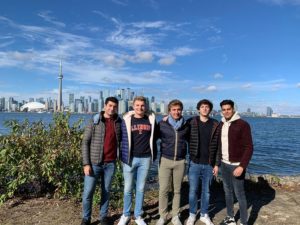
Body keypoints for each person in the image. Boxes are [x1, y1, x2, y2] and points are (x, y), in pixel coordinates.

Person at [81, 97, 122, 225]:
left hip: (110, 164)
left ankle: (103, 216)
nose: (112, 108)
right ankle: (86, 218)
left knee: (106, 191)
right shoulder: (95, 121)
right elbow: (85, 143)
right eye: (110, 105)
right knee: (88, 192)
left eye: (115, 106)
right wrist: (86, 163)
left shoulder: (119, 122)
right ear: (105, 106)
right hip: (94, 163)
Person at [117, 96, 157, 225]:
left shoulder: (151, 119)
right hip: (130, 158)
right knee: (128, 189)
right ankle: (126, 214)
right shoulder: (126, 119)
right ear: (133, 106)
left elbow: (156, 136)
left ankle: (138, 215)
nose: (140, 108)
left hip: (145, 158)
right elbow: (119, 137)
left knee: (140, 189)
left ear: (146, 107)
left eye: (142, 105)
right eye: (137, 105)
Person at [218, 100, 253, 225]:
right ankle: (230, 217)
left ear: (233, 109)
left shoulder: (243, 124)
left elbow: (249, 147)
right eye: (224, 109)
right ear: (221, 111)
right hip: (224, 163)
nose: (226, 111)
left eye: (228, 109)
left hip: (237, 165)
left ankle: (244, 222)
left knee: (240, 194)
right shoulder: (221, 124)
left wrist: (242, 166)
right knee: (227, 191)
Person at [186, 99, 221, 225]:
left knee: (206, 191)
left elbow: (219, 146)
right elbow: (179, 130)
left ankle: (204, 214)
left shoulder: (216, 124)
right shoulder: (191, 122)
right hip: (194, 162)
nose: (205, 109)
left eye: (207, 107)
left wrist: (217, 164)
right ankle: (192, 214)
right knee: (193, 190)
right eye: (202, 107)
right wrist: (166, 119)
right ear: (198, 109)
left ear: (210, 110)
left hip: (209, 164)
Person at [156, 99, 190, 225]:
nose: (176, 112)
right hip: (165, 160)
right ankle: (163, 215)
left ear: (181, 111)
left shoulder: (186, 125)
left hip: (180, 162)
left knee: (177, 190)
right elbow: (152, 138)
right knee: (163, 190)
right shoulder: (162, 124)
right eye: (174, 110)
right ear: (169, 111)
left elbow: (191, 140)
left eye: (178, 110)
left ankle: (175, 215)